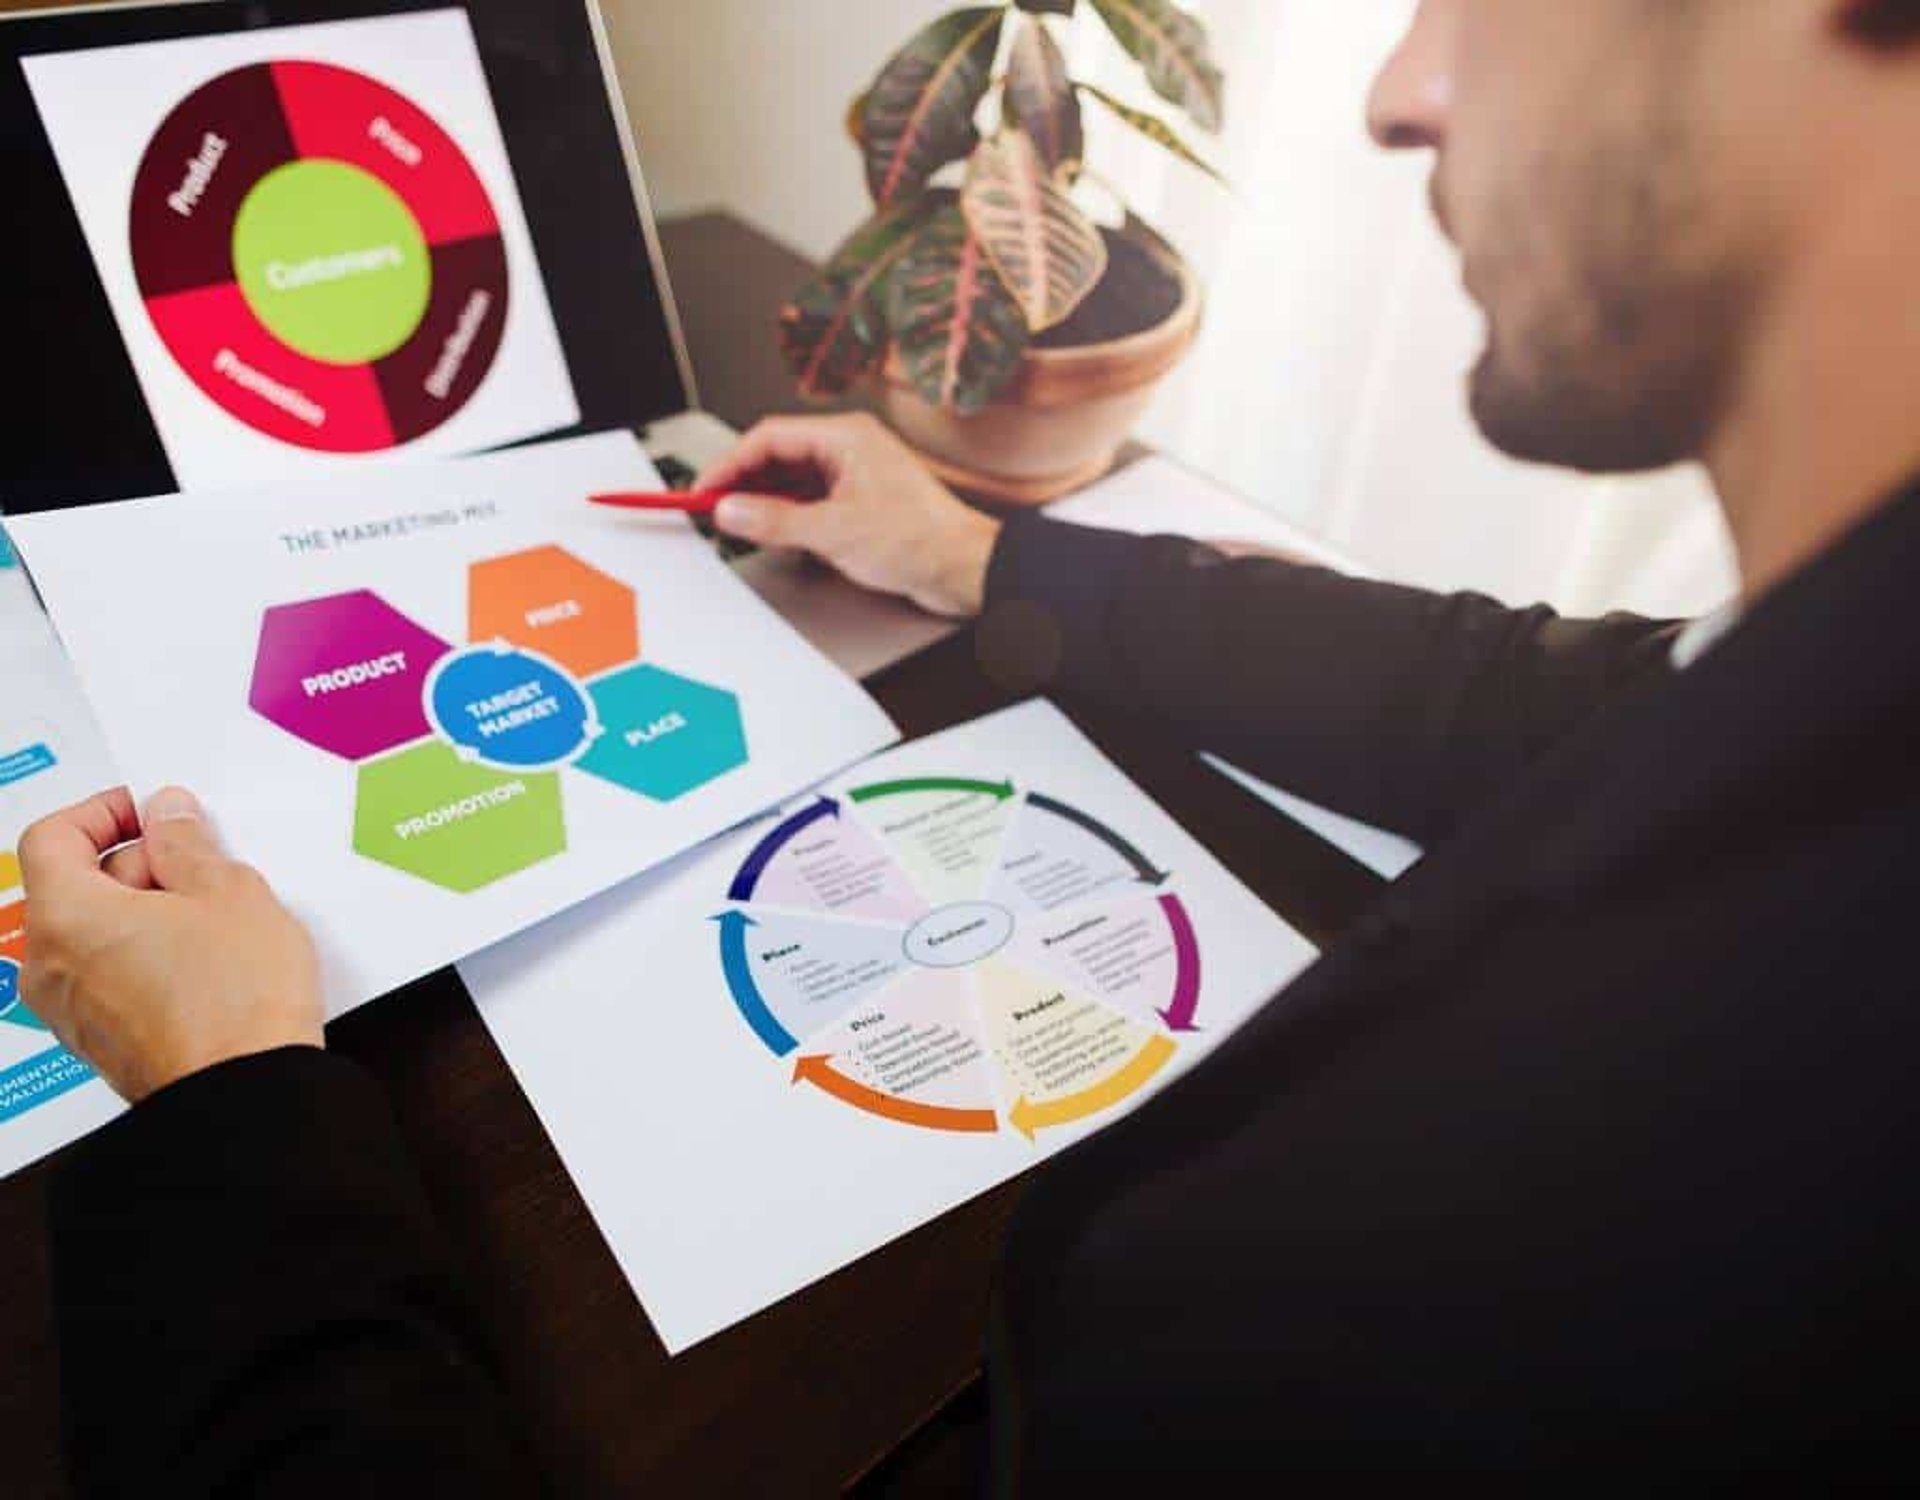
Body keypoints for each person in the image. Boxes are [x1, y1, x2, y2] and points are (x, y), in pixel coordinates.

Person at [20, 0, 1920, 1487]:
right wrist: (983, 551)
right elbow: (1568, 694)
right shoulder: (1816, 695)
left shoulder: (1583, 1236)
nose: (1400, 92)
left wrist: (223, 1108)